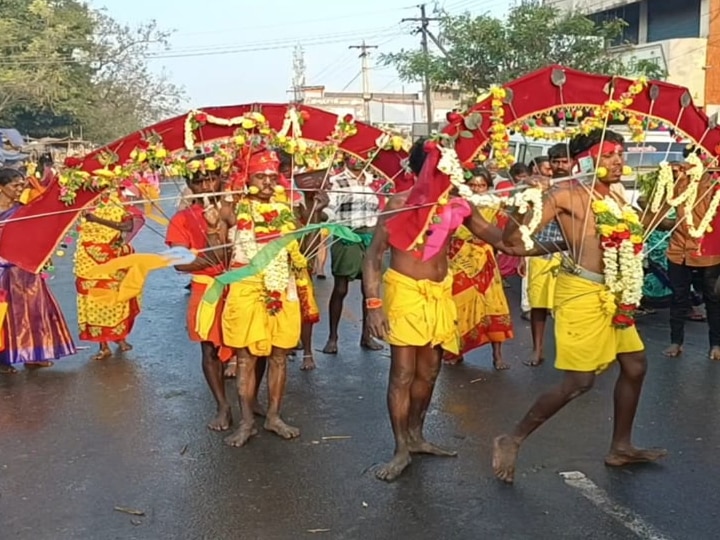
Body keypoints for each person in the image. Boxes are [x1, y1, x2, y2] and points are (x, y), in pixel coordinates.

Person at [363, 144, 560, 482]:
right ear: (420, 172)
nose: (448, 177)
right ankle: (400, 449)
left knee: (429, 372)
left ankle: (416, 436)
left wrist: (530, 209)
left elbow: (502, 241)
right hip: (405, 292)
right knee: (403, 374)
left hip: (441, 293)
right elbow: (373, 257)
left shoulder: (459, 205)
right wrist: (373, 305)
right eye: (439, 171)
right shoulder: (398, 204)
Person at [493, 129, 667, 484]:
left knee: (635, 365)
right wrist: (521, 207)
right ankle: (511, 439)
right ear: (584, 161)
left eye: (620, 154)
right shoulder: (564, 193)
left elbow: (637, 233)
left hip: (615, 294)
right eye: (608, 155)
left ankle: (620, 447)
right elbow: (514, 241)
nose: (618, 161)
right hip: (581, 294)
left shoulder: (615, 197)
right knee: (579, 382)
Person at [221, 149, 318, 447]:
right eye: (259, 176)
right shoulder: (232, 208)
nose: (266, 182)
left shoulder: (287, 209)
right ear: (245, 179)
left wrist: (314, 205)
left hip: (282, 286)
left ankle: (274, 416)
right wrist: (215, 225)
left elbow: (306, 243)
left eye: (271, 177)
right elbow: (216, 249)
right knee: (246, 358)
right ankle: (247, 422)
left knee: (279, 356)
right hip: (246, 288)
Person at [166, 154, 237, 431]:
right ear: (190, 185)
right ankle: (222, 405)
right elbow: (180, 263)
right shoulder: (182, 218)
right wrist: (210, 242)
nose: (207, 186)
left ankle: (251, 400)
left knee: (252, 347)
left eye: (211, 178)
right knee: (208, 349)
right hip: (206, 287)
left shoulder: (236, 209)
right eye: (199, 181)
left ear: (221, 178)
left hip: (240, 284)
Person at [0, 168, 76, 373]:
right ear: (1, 187)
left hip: (25, 267)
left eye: (21, 186)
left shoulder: (23, 209)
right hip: (3, 269)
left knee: (34, 310)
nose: (19, 190)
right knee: (5, 314)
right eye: (14, 186)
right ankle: (3, 359)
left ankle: (34, 354)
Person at [651, 154, 720, 359]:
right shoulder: (681, 180)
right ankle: (676, 342)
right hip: (678, 249)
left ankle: (716, 344)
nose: (703, 160)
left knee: (713, 299)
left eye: (708, 156)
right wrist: (669, 174)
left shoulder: (716, 183)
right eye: (699, 156)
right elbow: (655, 203)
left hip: (708, 250)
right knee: (679, 297)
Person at [444, 167, 513, 369]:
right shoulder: (455, 204)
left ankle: (498, 356)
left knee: (493, 303)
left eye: (481, 185)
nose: (477, 189)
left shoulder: (496, 205)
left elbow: (503, 234)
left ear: (488, 187)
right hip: (458, 258)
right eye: (472, 185)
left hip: (485, 259)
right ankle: (455, 351)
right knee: (458, 303)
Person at [321, 154, 382, 354]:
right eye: (354, 156)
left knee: (369, 288)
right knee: (340, 288)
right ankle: (332, 337)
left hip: (369, 236)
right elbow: (329, 211)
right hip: (346, 234)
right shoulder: (336, 181)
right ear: (346, 158)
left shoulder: (376, 181)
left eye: (363, 156)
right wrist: (321, 211)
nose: (358, 160)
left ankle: (367, 336)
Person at [521, 143, 574, 366]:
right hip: (540, 251)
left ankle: (569, 352)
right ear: (549, 164)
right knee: (538, 306)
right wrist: (522, 256)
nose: (561, 166)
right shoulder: (539, 188)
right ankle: (538, 349)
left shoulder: (579, 187)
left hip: (570, 254)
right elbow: (525, 223)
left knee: (568, 307)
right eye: (556, 162)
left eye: (565, 161)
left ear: (572, 163)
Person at [74, 189, 142, 360]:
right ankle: (103, 345)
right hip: (87, 258)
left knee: (118, 297)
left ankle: (120, 337)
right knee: (94, 301)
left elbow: (128, 226)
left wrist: (97, 220)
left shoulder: (119, 200)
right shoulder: (81, 202)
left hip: (114, 254)